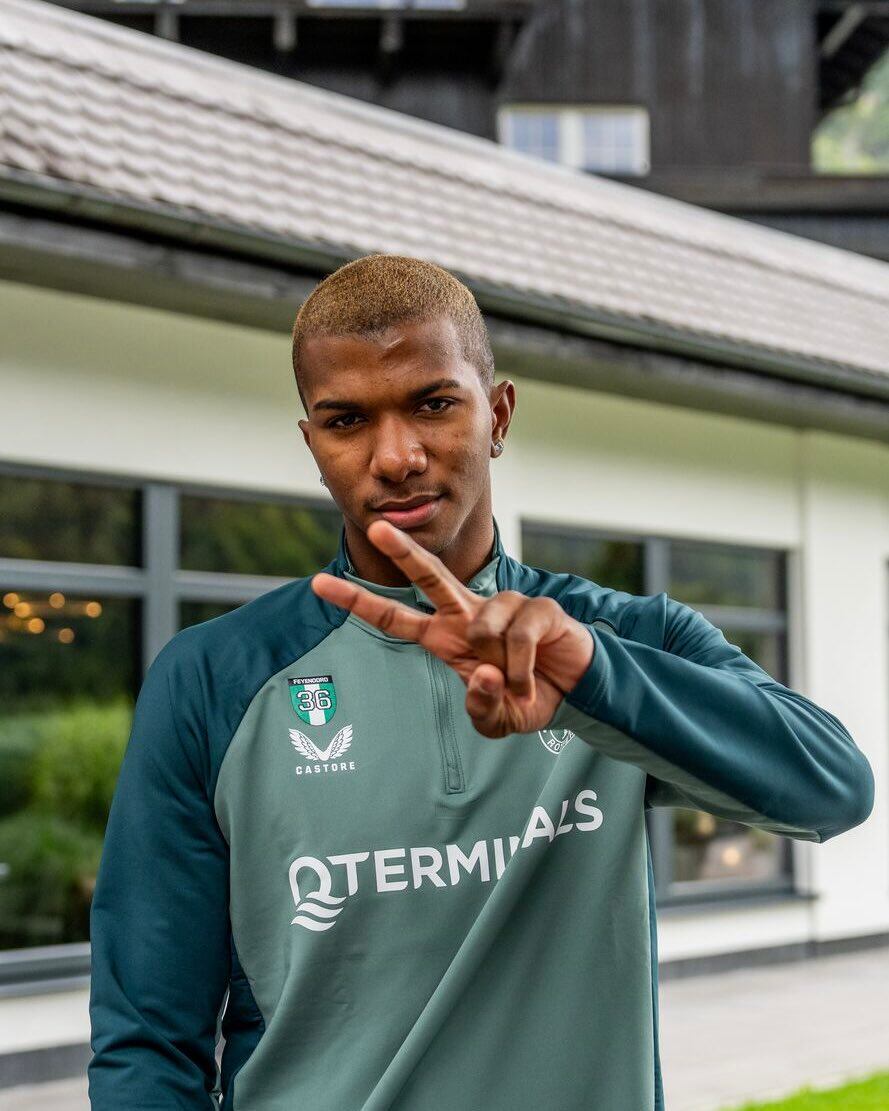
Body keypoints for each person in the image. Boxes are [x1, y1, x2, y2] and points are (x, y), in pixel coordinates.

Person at [88, 253, 875, 1110]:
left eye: (433, 404)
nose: (396, 455)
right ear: (313, 444)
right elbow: (147, 1039)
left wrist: (590, 677)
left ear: (496, 414)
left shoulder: (620, 640)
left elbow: (830, 789)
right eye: (347, 420)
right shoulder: (211, 678)